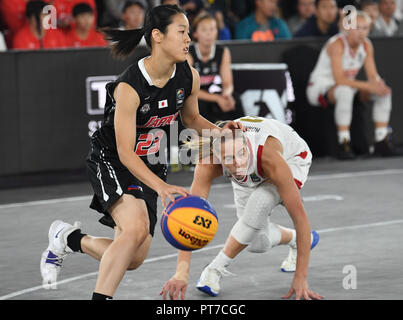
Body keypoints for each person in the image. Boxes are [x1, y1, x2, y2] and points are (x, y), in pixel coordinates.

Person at [39, 4, 243, 300]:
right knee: (134, 230)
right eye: (182, 32)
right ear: (158, 36)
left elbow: (191, 119)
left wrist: (221, 131)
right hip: (112, 160)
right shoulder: (130, 87)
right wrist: (161, 187)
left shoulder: (188, 76)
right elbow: (124, 152)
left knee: (132, 259)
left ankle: (68, 238)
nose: (189, 40)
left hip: (151, 165)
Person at [160, 116, 323, 300]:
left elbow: (300, 217)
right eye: (229, 158)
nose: (238, 162)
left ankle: (214, 269)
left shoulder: (269, 157)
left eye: (241, 153)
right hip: (251, 169)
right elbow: (189, 216)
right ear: (217, 157)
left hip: (292, 159)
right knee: (257, 242)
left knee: (259, 203)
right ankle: (298, 240)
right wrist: (181, 271)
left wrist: (300, 277)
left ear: (246, 145)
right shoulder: (209, 161)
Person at [306, 11, 400, 159]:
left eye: (365, 28)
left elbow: (372, 76)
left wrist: (379, 84)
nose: (361, 32)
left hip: (348, 86)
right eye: (357, 27)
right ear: (348, 28)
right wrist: (370, 86)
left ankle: (381, 140)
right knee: (345, 91)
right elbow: (339, 80)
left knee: (384, 92)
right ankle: (344, 142)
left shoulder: (367, 45)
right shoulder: (336, 44)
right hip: (319, 88)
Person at [187, 12, 244, 123]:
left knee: (234, 99)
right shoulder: (188, 54)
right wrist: (218, 99)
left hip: (215, 92)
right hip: (197, 95)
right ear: (195, 34)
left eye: (212, 29)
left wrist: (226, 96)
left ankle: (242, 132)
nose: (209, 34)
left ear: (217, 32)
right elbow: (189, 89)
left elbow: (228, 84)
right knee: (198, 104)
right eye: (204, 30)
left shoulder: (223, 52)